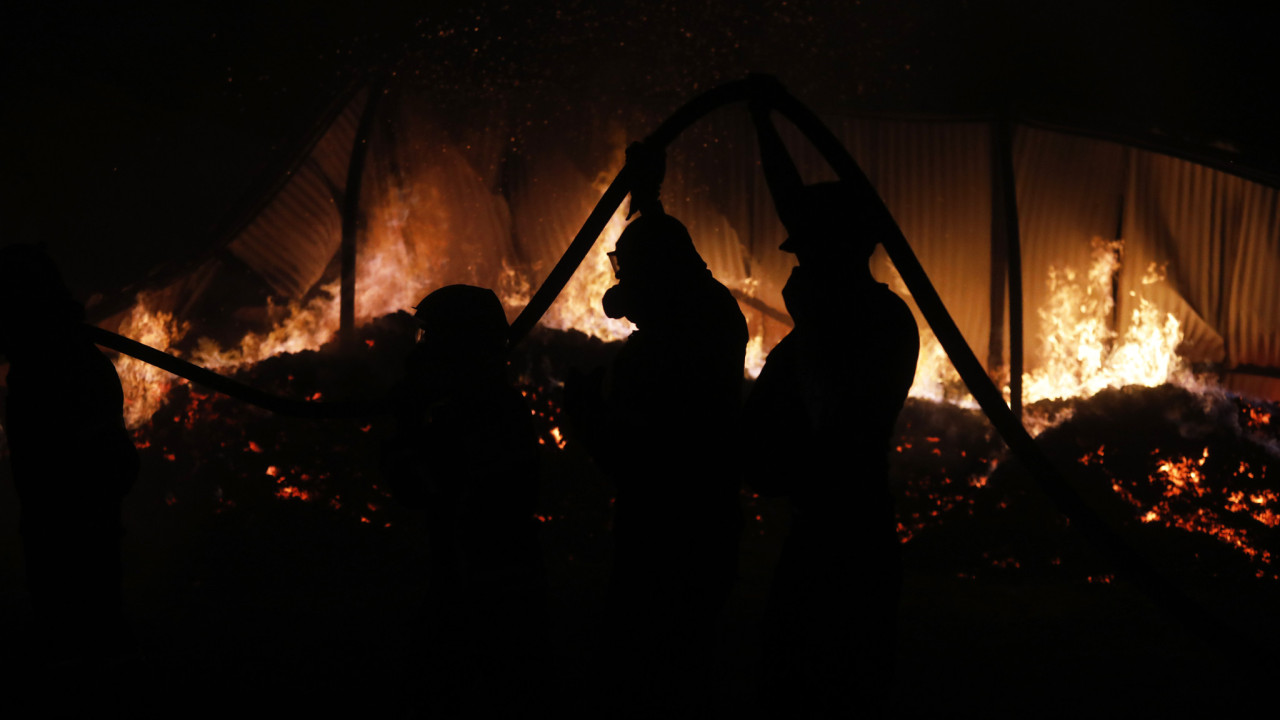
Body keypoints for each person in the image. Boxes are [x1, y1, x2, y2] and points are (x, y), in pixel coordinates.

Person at [743, 101, 920, 717]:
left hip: (846, 540)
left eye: (807, 258)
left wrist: (811, 327)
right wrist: (763, 122)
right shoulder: (851, 319)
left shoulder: (870, 328)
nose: (797, 272)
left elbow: (831, 428)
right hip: (823, 528)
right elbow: (795, 206)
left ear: (837, 256)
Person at [566, 208, 748, 717]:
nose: (624, 294)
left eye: (633, 274)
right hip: (704, 518)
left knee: (650, 662)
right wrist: (648, 197)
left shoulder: (675, 341)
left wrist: (586, 413)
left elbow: (635, 455)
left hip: (668, 526)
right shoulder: (708, 311)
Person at [380, 284, 545, 718]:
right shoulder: (485, 406)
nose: (423, 349)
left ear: (459, 345)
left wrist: (406, 427)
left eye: (432, 337)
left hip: (480, 590)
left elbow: (418, 489)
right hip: (485, 582)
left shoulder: (478, 416)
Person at [0, 244, 139, 677]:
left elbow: (101, 458)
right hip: (64, 517)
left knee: (81, 614)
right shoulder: (47, 362)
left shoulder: (57, 367)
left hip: (72, 519)